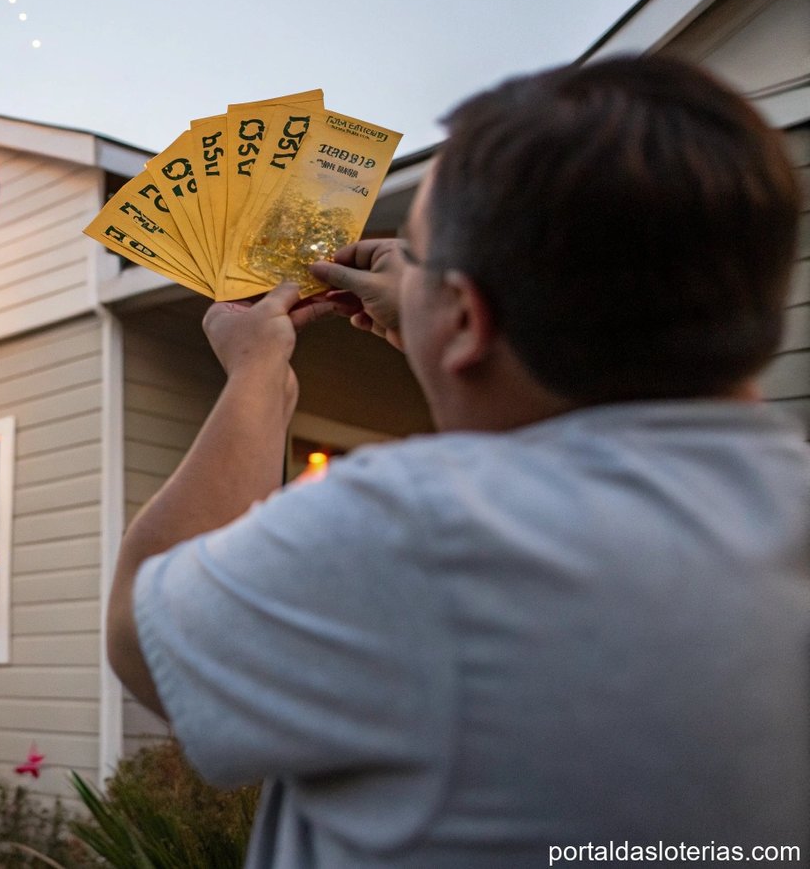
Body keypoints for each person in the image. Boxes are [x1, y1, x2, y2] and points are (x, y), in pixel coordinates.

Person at [107, 55, 808, 867]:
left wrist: (259, 378)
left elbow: (139, 630)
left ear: (468, 318)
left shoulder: (417, 533)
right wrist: (449, 332)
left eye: (423, 259)